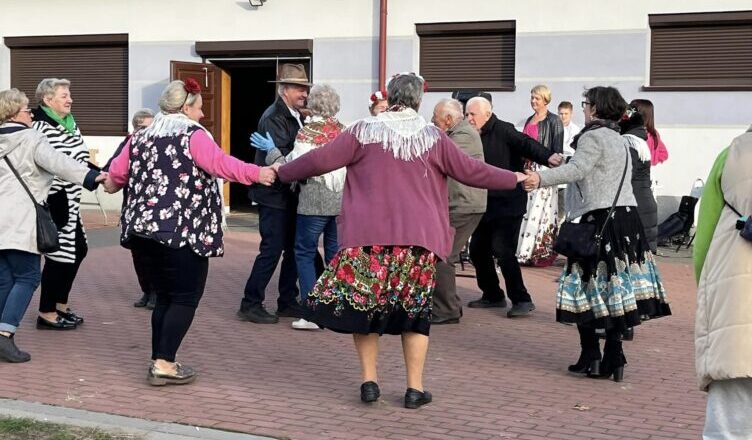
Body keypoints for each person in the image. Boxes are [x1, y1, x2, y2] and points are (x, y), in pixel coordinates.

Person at [273, 73, 526, 408]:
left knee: (365, 310)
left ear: (390, 96)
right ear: (419, 100)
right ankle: (413, 389)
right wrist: (515, 178)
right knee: (415, 313)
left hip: (367, 241)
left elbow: (319, 160)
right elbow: (471, 170)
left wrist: (280, 172)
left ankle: (369, 382)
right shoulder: (432, 136)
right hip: (417, 244)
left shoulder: (363, 131)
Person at [103, 79, 277, 386]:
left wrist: (108, 183)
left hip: (142, 231)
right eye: (198, 108)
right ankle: (164, 363)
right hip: (181, 230)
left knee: (165, 297)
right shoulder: (192, 136)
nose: (200, 115)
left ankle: (160, 359)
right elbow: (222, 165)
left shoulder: (140, 136)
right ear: (185, 107)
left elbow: (116, 174)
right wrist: (258, 173)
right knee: (184, 297)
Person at [522, 86, 671, 381]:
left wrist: (538, 178)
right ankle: (614, 354)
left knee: (584, 287)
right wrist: (561, 162)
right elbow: (594, 169)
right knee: (616, 289)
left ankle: (591, 353)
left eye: (586, 104)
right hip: (626, 221)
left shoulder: (592, 137)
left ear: (597, 108)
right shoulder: (621, 140)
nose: (584, 108)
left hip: (598, 220)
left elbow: (578, 170)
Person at [0, 88, 104, 362]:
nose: (30, 113)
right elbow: (60, 163)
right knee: (28, 277)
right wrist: (94, 178)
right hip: (22, 221)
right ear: (14, 113)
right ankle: (5, 335)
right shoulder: (31, 138)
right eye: (25, 109)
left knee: (5, 280)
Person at [250, 84, 345, 330]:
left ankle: (312, 313)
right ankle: (335, 308)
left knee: (303, 252)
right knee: (334, 254)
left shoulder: (308, 134)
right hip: (339, 203)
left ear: (314, 105)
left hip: (313, 203)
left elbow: (291, 170)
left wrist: (271, 152)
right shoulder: (345, 131)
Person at [464, 96, 562, 317]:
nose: (469, 118)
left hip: (508, 203)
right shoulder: (470, 133)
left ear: (487, 114)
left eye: (473, 114)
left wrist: (549, 158)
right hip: (485, 202)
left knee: (502, 250)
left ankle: (522, 300)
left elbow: (527, 144)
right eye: (467, 114)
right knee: (478, 250)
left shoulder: (503, 130)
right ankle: (492, 295)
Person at [240, 64, 312, 324]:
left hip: (287, 194)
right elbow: (286, 155)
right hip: (274, 194)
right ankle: (250, 303)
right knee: (272, 249)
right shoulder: (274, 116)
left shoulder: (295, 114)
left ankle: (287, 300)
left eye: (305, 88)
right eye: (299, 88)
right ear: (284, 89)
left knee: (293, 249)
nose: (304, 93)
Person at [694, 127, 752, 440]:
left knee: (729, 429)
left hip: (736, 314)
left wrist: (710, 295)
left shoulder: (729, 156)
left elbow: (703, 244)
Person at [32, 78, 98, 330]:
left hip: (73, 199)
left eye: (69, 94)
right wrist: (92, 176)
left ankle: (60, 304)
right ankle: (46, 312)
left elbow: (78, 158)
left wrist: (100, 173)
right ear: (48, 100)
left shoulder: (69, 124)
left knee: (78, 250)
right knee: (59, 256)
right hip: (55, 198)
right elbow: (52, 162)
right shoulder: (40, 127)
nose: (70, 99)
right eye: (64, 96)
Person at [430, 98, 486, 325]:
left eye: (435, 120)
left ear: (449, 119)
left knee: (443, 255)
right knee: (442, 254)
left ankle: (446, 309)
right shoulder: (457, 132)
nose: (433, 124)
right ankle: (449, 304)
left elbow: (442, 159)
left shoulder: (463, 135)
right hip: (460, 203)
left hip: (464, 205)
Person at [104, 109, 157, 309]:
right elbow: (112, 166)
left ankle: (156, 293)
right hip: (132, 205)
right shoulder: (128, 143)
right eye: (143, 127)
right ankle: (146, 290)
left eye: (151, 127)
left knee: (153, 252)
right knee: (138, 253)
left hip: (153, 207)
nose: (147, 132)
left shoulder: (158, 143)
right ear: (135, 128)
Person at [517, 85, 564, 267]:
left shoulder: (554, 121)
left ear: (545, 100)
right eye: (532, 97)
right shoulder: (530, 119)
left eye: (536, 98)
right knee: (527, 210)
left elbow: (557, 151)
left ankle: (536, 250)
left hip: (543, 169)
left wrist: (550, 171)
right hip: (527, 167)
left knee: (540, 211)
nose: (533, 101)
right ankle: (522, 250)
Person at [620, 108, 658, 254]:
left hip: (635, 205)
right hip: (645, 201)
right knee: (645, 254)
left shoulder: (629, 145)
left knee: (636, 254)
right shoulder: (639, 143)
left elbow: (627, 174)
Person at [630, 99, 668, 166]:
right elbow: (663, 153)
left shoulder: (634, 133)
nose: (627, 112)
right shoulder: (653, 133)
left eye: (631, 110)